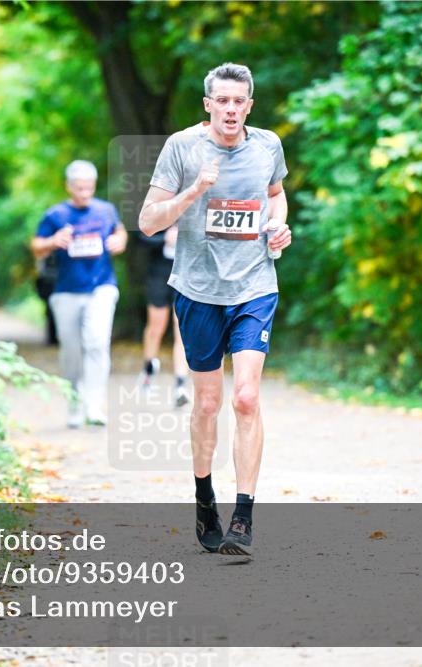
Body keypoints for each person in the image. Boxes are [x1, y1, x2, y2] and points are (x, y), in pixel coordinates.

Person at [139, 63, 292, 557]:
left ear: (250, 105)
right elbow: (147, 222)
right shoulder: (182, 148)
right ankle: (205, 497)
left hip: (254, 285)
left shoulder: (267, 145)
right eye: (221, 100)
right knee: (207, 404)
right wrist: (194, 192)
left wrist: (278, 227)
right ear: (208, 105)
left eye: (238, 101)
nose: (230, 109)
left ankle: (243, 517)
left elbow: (276, 195)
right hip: (199, 290)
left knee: (245, 398)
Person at [32, 160, 128, 428]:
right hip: (66, 291)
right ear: (69, 187)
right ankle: (74, 400)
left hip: (102, 286)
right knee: (71, 350)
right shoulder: (55, 215)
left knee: (97, 342)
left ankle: (94, 406)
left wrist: (120, 241)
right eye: (79, 188)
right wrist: (53, 242)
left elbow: (120, 232)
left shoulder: (106, 210)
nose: (85, 193)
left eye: (89, 187)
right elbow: (37, 247)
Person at [136, 225, 190, 407]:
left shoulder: (196, 206)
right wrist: (164, 238)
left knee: (181, 328)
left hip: (186, 273)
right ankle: (148, 371)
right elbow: (141, 237)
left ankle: (180, 384)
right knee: (155, 327)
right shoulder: (159, 204)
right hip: (159, 274)